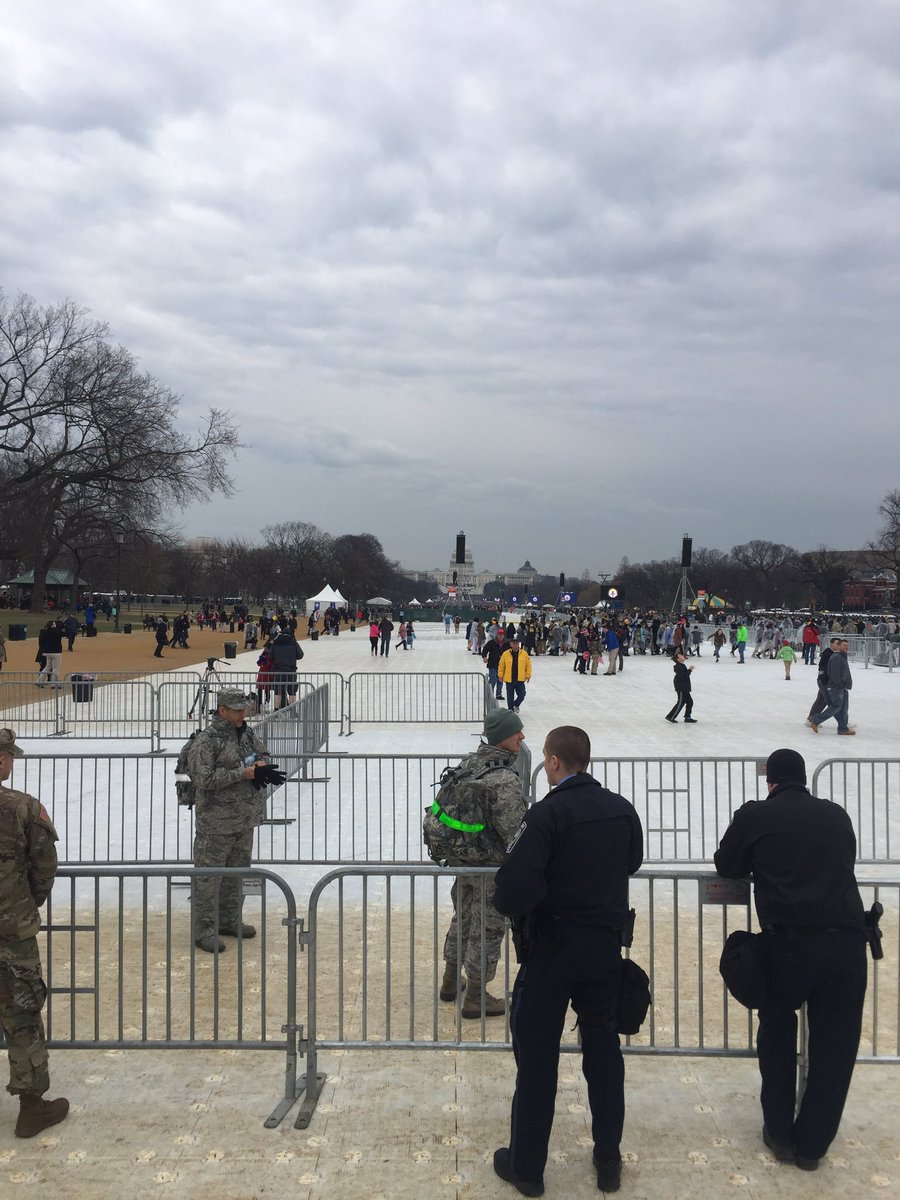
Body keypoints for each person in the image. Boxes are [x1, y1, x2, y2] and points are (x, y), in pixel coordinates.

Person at [492, 725, 644, 1195]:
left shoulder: (547, 814)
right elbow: (632, 861)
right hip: (603, 951)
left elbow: (513, 889)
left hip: (552, 952)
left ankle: (528, 1168)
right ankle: (608, 1158)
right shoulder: (622, 810)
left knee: (537, 1059)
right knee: (603, 1053)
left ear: (554, 763)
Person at [714, 748, 867, 1169]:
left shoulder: (756, 815)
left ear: (771, 781)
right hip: (847, 946)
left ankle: (779, 1132)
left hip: (790, 947)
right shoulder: (836, 815)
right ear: (804, 778)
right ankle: (813, 1146)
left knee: (778, 1031)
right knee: (835, 1049)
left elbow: (726, 865)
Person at [435, 709, 528, 1019]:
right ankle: (475, 996)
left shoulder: (469, 764)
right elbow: (514, 832)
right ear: (504, 738)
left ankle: (450, 981)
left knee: (461, 918)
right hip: (491, 868)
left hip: (463, 861)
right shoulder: (502, 778)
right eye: (518, 733)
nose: (522, 737)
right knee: (487, 929)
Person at [0, 728, 69, 1137]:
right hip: (12, 932)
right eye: (9, 756)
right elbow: (44, 870)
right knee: (21, 1015)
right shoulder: (23, 809)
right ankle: (31, 1108)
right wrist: (26, 905)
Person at [186, 691, 271, 952]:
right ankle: (204, 929)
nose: (242, 714)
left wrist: (261, 762)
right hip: (216, 823)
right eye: (236, 710)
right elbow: (203, 779)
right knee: (209, 879)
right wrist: (241, 774)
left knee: (237, 874)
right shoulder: (207, 741)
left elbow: (264, 752)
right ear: (222, 710)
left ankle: (230, 920)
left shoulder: (245, 734)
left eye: (243, 709)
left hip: (244, 820)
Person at [808, 638, 854, 734]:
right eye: (843, 645)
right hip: (836, 687)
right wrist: (839, 684)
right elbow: (834, 673)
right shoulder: (836, 657)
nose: (846, 647)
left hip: (843, 686)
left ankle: (843, 728)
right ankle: (815, 720)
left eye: (847, 645)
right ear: (838, 646)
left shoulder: (841, 656)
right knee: (835, 707)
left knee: (843, 708)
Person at [269, 627, 304, 709]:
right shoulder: (293, 642)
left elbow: (271, 656)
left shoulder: (276, 642)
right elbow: (300, 655)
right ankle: (292, 709)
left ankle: (276, 709)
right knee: (292, 691)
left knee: (278, 691)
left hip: (278, 670)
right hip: (291, 670)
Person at [498, 636, 532, 712]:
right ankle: (510, 709)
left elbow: (528, 665)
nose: (515, 644)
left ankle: (516, 705)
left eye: (517, 643)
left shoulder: (524, 653)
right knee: (510, 696)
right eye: (514, 643)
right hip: (509, 679)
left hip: (520, 679)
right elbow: (501, 665)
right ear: (511, 644)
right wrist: (500, 675)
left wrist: (528, 675)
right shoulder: (505, 654)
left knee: (522, 695)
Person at [665, 650, 696, 722]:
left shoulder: (681, 665)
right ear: (678, 659)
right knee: (681, 703)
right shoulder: (678, 667)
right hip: (681, 688)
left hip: (685, 687)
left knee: (690, 702)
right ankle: (670, 716)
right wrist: (690, 670)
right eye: (680, 656)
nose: (683, 656)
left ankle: (687, 717)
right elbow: (684, 676)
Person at [35, 621, 63, 688]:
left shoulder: (45, 632)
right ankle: (53, 683)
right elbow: (63, 633)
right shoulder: (56, 632)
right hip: (56, 652)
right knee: (55, 668)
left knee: (47, 667)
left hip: (47, 652)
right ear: (52, 625)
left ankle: (40, 681)